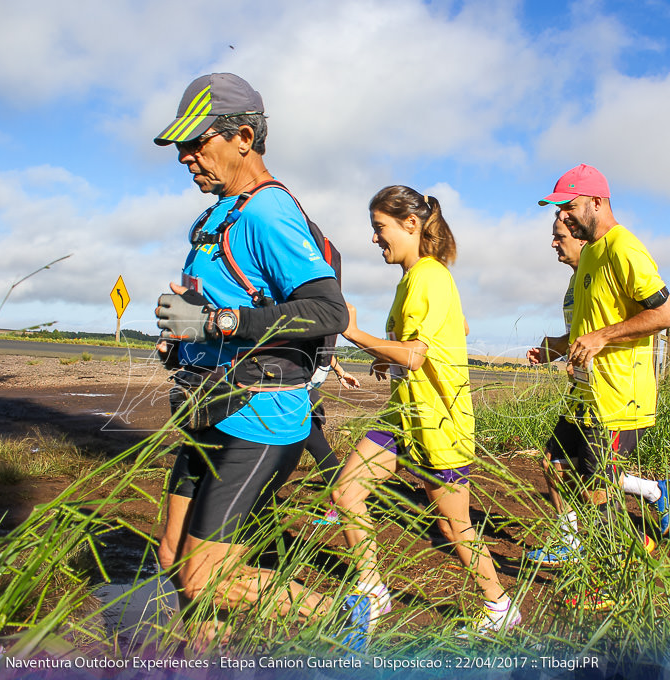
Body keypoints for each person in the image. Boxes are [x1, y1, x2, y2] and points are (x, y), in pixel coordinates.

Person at [151, 73, 367, 645]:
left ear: (243, 136)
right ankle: (204, 659)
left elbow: (328, 312)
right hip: (209, 406)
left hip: (262, 417)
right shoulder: (219, 214)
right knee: (174, 557)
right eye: (180, 148)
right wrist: (182, 331)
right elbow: (234, 302)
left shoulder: (267, 213)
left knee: (204, 576)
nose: (185, 158)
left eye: (196, 143)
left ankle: (347, 618)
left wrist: (219, 322)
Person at [332, 186, 521, 636]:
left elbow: (416, 355)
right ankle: (373, 591)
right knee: (346, 493)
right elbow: (456, 327)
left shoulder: (430, 276)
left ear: (411, 224)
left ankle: (499, 608)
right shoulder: (413, 279)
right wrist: (387, 354)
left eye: (380, 229)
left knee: (454, 528)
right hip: (403, 416)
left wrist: (356, 335)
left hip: (439, 422)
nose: (375, 239)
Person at [526, 164, 670, 577]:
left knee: (598, 491)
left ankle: (621, 573)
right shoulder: (591, 252)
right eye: (560, 209)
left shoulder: (623, 247)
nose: (564, 217)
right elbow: (586, 330)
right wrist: (554, 349)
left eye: (570, 207)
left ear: (596, 202)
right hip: (584, 395)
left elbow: (667, 312)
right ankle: (586, 540)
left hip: (618, 398)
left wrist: (603, 338)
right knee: (554, 463)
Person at [307, 355, 361, 526]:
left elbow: (324, 351)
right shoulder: (321, 343)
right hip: (299, 403)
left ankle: (339, 504)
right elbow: (325, 351)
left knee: (321, 451)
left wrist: (340, 372)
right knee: (321, 451)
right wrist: (341, 372)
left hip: (294, 405)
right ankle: (340, 504)